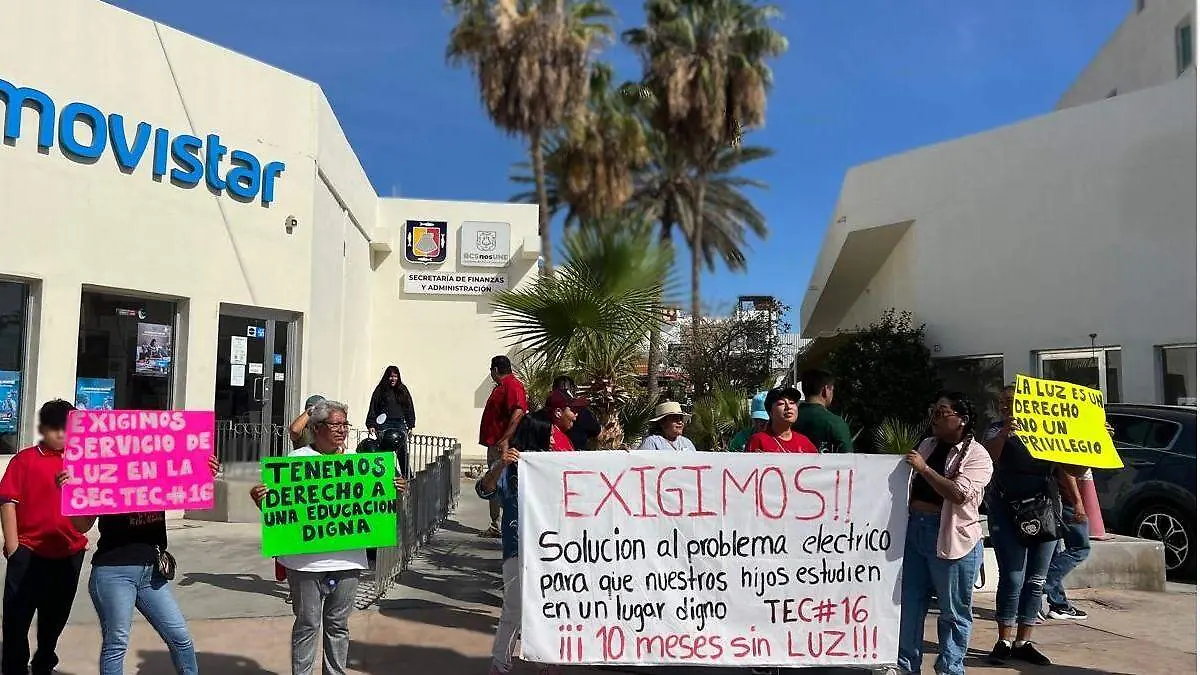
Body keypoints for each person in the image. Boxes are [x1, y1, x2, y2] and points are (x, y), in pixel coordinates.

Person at [251, 400, 407, 675]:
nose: (342, 430)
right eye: (335, 424)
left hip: (348, 560)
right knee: (307, 624)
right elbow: (282, 513)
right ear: (316, 428)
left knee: (338, 625)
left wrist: (393, 493)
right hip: (305, 565)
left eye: (344, 424)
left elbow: (378, 512)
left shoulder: (358, 466)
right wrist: (261, 500)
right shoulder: (295, 463)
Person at [64, 457, 223, 675]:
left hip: (152, 572)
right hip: (114, 571)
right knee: (117, 643)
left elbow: (190, 496)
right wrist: (71, 491)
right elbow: (81, 525)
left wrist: (204, 475)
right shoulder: (105, 470)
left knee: (181, 638)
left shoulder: (160, 467)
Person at [480, 389, 585, 675]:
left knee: (551, 607)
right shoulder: (510, 472)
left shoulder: (553, 470)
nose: (553, 442)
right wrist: (502, 463)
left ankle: (549, 661)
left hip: (552, 551)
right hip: (517, 549)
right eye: (548, 438)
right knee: (513, 608)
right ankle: (500, 663)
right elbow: (483, 489)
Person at [982, 384, 1087, 666]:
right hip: (1007, 510)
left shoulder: (1047, 431)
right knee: (1013, 577)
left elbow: (1069, 468)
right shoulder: (995, 429)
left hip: (1044, 510)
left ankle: (1024, 640)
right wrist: (1006, 432)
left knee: (1036, 580)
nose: (1006, 405)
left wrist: (1077, 500)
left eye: (1013, 400)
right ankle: (1004, 639)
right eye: (1002, 401)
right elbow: (988, 456)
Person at [897, 392, 993, 675]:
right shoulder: (927, 444)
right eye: (933, 411)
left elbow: (959, 494)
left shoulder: (978, 455)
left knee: (953, 612)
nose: (934, 418)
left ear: (961, 420)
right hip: (916, 531)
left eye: (941, 413)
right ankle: (905, 666)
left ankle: (950, 668)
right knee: (910, 605)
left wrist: (924, 469)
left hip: (953, 539)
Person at [0, 400, 89, 675]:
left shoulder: (83, 462)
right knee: (16, 618)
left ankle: (43, 664)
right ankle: (14, 668)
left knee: (54, 619)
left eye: (67, 429)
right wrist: (14, 545)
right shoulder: (25, 460)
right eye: (55, 429)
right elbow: (7, 500)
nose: (61, 435)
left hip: (68, 552)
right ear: (43, 429)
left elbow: (90, 513)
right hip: (28, 552)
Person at [478, 356, 528, 537]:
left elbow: (519, 411)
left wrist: (506, 438)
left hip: (502, 446)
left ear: (495, 370)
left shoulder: (512, 385)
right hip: (495, 444)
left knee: (501, 483)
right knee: (493, 481)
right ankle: (495, 524)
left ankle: (504, 525)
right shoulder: (501, 387)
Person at [1042, 470, 1091, 620]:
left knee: (1053, 555)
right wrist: (1078, 502)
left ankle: (1059, 604)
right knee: (1080, 548)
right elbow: (1067, 471)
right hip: (1065, 501)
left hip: (1054, 499)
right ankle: (1038, 588)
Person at [366, 366, 417, 477]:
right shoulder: (380, 390)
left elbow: (409, 407)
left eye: (395, 376)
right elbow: (373, 406)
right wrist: (371, 424)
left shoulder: (402, 389)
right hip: (384, 425)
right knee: (385, 452)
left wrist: (410, 425)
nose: (393, 379)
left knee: (402, 452)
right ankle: (387, 477)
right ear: (387, 377)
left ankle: (407, 477)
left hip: (399, 424)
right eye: (390, 376)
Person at [530, 376, 600, 450]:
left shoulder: (538, 419)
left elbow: (597, 433)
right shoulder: (535, 423)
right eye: (573, 410)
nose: (576, 414)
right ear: (558, 412)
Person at [794, 369, 854, 453]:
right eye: (832, 389)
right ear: (825, 390)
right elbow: (848, 462)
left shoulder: (786, 420)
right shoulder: (835, 424)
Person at [747, 387, 818, 453]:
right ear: (770, 412)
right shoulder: (758, 441)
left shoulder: (805, 442)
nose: (788, 406)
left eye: (792, 403)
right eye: (781, 403)